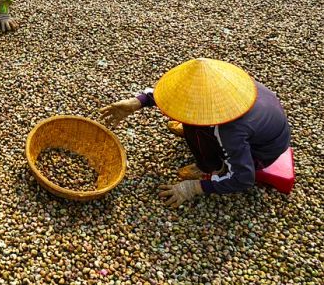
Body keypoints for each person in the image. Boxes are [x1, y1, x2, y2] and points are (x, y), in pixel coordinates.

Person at [99, 58, 291, 208]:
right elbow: (174, 93)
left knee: (196, 129)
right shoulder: (229, 83)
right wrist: (137, 102)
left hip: (262, 152)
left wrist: (195, 188)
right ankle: (199, 133)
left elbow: (243, 178)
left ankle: (209, 166)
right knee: (191, 121)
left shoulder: (229, 131)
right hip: (262, 129)